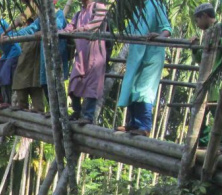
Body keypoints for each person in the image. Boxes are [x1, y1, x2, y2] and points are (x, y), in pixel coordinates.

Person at [116, 0, 171, 136]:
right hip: (136, 54)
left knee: (145, 89)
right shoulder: (138, 8)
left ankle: (144, 126)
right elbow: (128, 30)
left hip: (151, 54)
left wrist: (159, 37)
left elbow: (167, 28)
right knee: (132, 87)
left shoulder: (156, 4)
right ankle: (133, 123)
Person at [190, 2, 222, 151]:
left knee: (220, 114)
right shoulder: (207, 34)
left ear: (204, 16)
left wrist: (217, 41)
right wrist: (195, 46)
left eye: (197, 20)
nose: (197, 24)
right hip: (206, 81)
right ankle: (203, 141)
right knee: (196, 111)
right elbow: (200, 59)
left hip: (220, 80)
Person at [63, 0, 108, 124]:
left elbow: (96, 23)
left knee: (92, 85)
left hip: (95, 53)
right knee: (74, 82)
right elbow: (70, 27)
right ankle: (77, 111)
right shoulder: (79, 13)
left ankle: (88, 116)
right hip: (81, 54)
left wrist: (81, 29)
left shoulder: (99, 7)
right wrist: (62, 32)